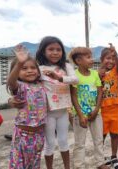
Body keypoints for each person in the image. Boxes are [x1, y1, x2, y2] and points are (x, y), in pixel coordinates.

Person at [36, 36, 78, 169]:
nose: (55, 52)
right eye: (51, 49)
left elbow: (75, 80)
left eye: (58, 49)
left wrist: (58, 77)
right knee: (49, 144)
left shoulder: (66, 66)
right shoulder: (39, 68)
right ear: (43, 51)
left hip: (63, 110)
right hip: (48, 112)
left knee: (63, 141)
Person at [7, 45, 47, 169]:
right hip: (23, 135)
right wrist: (19, 63)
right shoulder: (20, 86)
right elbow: (11, 82)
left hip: (39, 135)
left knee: (35, 164)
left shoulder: (41, 84)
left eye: (33, 68)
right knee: (19, 165)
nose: (29, 70)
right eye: (24, 68)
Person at [68, 47, 108, 169]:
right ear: (79, 61)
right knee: (79, 143)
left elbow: (100, 92)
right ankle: (79, 165)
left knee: (98, 139)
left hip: (96, 113)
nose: (92, 59)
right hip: (80, 115)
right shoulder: (74, 76)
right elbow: (73, 96)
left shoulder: (95, 74)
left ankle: (100, 163)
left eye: (91, 56)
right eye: (89, 57)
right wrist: (80, 115)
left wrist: (96, 110)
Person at [99, 44, 118, 169]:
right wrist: (99, 74)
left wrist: (116, 55)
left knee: (114, 134)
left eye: (112, 58)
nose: (111, 61)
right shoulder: (98, 73)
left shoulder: (117, 71)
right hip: (102, 110)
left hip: (115, 109)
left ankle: (114, 156)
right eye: (107, 58)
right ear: (101, 59)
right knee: (101, 135)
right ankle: (100, 157)